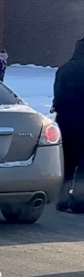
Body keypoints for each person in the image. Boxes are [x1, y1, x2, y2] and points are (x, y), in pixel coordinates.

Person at [52, 37, 84, 212]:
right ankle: (80, 202)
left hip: (65, 120)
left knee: (68, 161)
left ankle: (62, 199)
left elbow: (58, 95)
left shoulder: (64, 69)